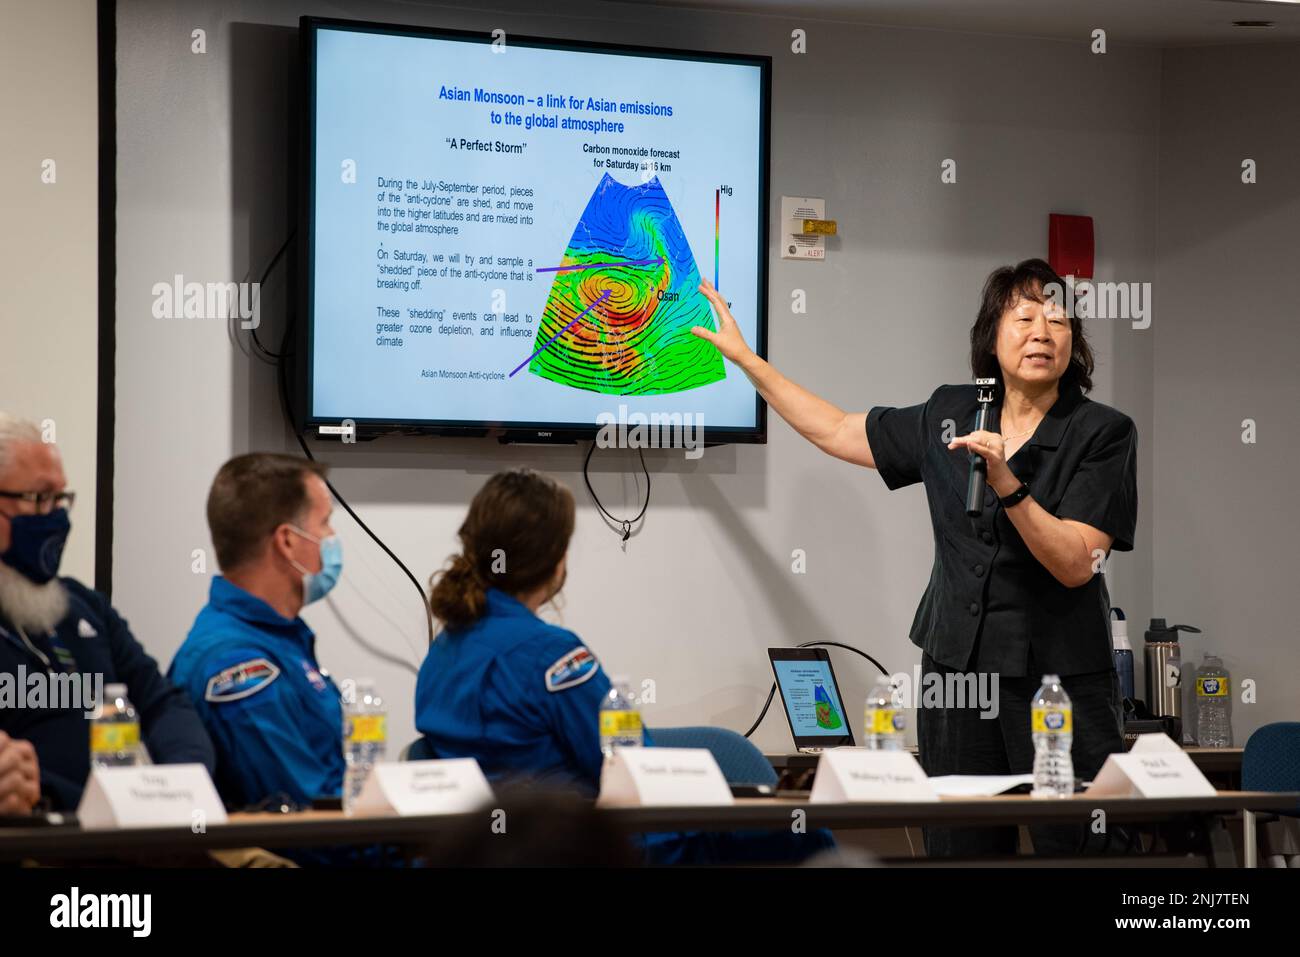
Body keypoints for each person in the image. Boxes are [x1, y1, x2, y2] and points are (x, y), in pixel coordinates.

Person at [692, 259, 1136, 858]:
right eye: (1024, 317)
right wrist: (747, 362)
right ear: (992, 336)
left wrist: (1007, 483)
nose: (1041, 332)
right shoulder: (950, 412)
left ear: (1074, 342)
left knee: (1082, 847)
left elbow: (1077, 563)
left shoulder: (1102, 432)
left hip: (1059, 680)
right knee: (958, 848)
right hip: (957, 673)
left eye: (1057, 320)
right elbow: (837, 429)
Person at [415, 468, 835, 864]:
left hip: (493, 850)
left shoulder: (443, 651)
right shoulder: (550, 655)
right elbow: (633, 767)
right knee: (806, 834)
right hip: (589, 846)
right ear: (554, 561)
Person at [0, 413, 214, 809]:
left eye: (61, 498)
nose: (57, 517)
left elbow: (164, 704)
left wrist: (181, 783)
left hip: (150, 830)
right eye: (38, 498)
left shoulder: (82, 607)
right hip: (50, 840)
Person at [169, 453, 344, 810]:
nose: (332, 538)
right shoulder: (236, 663)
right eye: (324, 523)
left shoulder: (278, 638)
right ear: (287, 542)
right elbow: (304, 819)